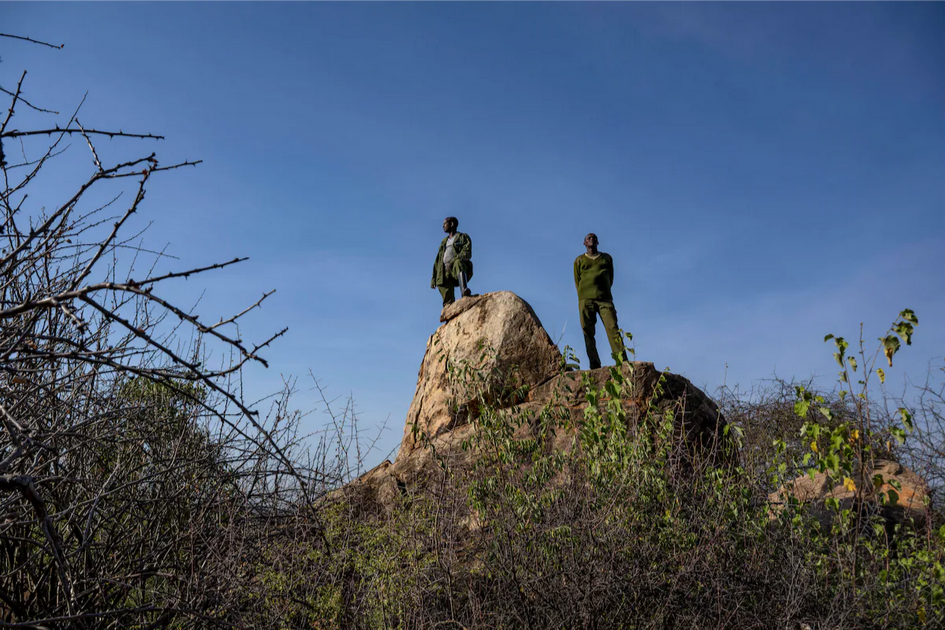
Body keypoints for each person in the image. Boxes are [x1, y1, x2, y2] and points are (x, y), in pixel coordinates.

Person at [574, 232, 627, 369]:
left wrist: (604, 290)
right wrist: (583, 294)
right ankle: (594, 364)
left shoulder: (606, 258)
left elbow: (610, 278)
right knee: (588, 331)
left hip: (605, 299)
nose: (591, 239)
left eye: (594, 238)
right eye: (588, 238)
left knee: (612, 328)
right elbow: (577, 280)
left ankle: (622, 362)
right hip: (586, 299)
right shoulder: (579, 260)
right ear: (584, 243)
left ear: (597, 242)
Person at [431, 216, 473, 307]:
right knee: (441, 282)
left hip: (456, 268)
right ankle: (448, 307)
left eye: (445, 224)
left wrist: (453, 261)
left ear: (452, 224)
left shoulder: (462, 237)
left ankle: (464, 291)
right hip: (444, 270)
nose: (443, 226)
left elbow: (467, 252)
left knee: (458, 262)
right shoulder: (444, 242)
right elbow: (437, 261)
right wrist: (433, 278)